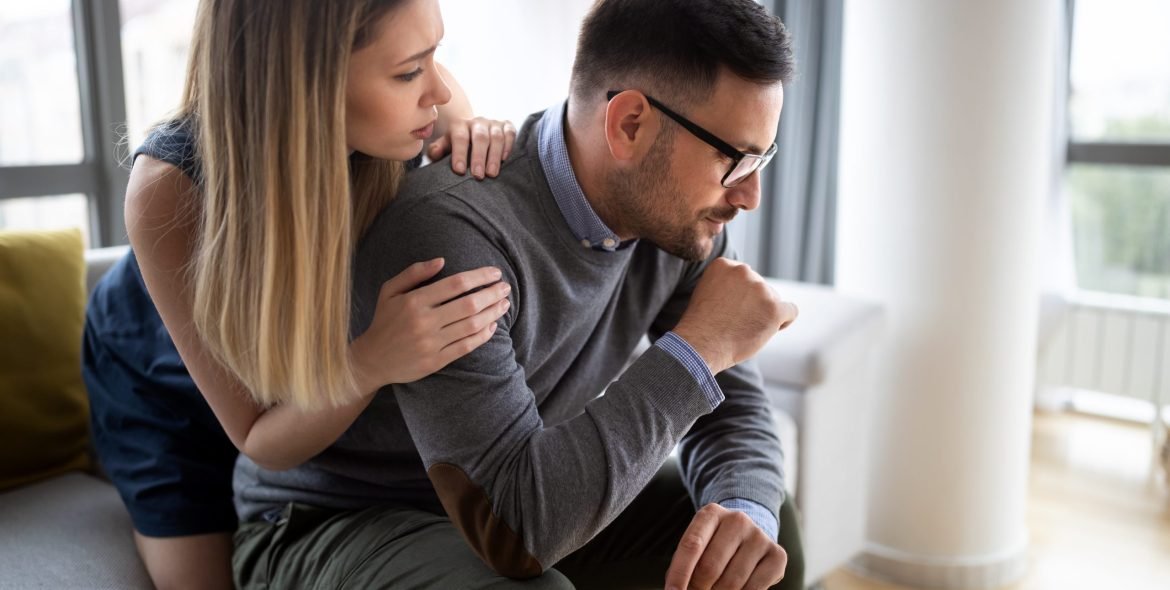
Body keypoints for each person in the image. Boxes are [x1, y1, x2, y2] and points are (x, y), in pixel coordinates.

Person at [233, 0, 803, 588]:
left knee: (759, 530)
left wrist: (743, 506)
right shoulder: (452, 235)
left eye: (760, 158)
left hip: (512, 496)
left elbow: (730, 405)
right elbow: (513, 530)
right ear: (630, 125)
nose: (748, 195)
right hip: (334, 520)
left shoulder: (680, 222)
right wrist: (698, 348)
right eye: (732, 159)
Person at [81, 1, 520, 588]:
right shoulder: (169, 188)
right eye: (409, 71)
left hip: (289, 358)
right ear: (307, 79)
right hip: (159, 372)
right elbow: (260, 435)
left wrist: (481, 132)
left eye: (434, 54)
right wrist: (372, 360)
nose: (440, 91)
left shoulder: (429, 113)